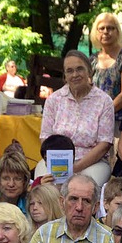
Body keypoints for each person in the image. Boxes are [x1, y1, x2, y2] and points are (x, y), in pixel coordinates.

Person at [40, 50, 114, 187]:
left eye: (80, 69)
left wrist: (75, 168)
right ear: (65, 75)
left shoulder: (104, 101)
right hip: (56, 161)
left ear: (89, 72)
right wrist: (55, 163)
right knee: (45, 188)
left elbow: (104, 144)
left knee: (83, 189)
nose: (75, 75)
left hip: (93, 163)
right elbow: (45, 137)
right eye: (69, 71)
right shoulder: (54, 100)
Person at [29, 173, 115, 243]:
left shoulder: (109, 239)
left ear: (95, 207)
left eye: (86, 201)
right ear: (62, 203)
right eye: (73, 199)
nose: (79, 207)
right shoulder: (44, 234)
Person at [89, 13, 122, 132]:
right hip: (95, 122)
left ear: (117, 32)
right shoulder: (92, 60)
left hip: (120, 122)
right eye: (101, 28)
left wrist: (103, 114)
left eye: (110, 28)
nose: (106, 31)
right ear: (96, 32)